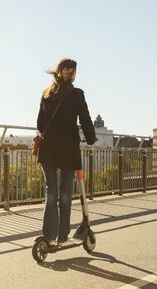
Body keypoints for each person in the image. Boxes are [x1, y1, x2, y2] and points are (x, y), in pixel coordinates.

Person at [36, 58, 96, 248]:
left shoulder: (46, 94)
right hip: (68, 150)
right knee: (65, 193)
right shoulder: (77, 94)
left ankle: (48, 237)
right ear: (70, 73)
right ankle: (62, 236)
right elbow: (85, 119)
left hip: (48, 150)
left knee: (51, 193)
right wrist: (91, 139)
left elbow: (40, 123)